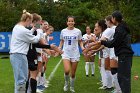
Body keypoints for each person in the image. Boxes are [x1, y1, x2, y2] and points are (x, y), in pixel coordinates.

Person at [97, 11, 134, 93]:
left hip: (124, 55)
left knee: (123, 78)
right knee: (123, 77)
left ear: (114, 19)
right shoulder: (123, 27)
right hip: (125, 55)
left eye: (112, 17)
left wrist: (103, 42)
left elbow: (114, 43)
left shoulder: (119, 29)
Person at [10, 10, 44, 93]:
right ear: (28, 20)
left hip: (16, 55)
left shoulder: (17, 27)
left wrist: (33, 29)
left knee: (19, 80)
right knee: (21, 80)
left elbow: (27, 34)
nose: (30, 23)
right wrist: (40, 32)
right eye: (31, 21)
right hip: (19, 55)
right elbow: (34, 40)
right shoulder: (22, 30)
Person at [59, 16, 85, 93]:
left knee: (73, 74)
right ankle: (66, 83)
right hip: (66, 53)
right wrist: (59, 48)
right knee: (67, 71)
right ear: (67, 22)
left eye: (72, 21)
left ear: (74, 22)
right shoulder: (63, 31)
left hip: (75, 53)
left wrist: (82, 47)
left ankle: (72, 87)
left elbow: (80, 41)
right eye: (69, 21)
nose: (70, 22)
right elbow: (62, 41)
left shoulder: (78, 31)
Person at [105, 15, 121, 93]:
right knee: (116, 71)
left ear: (109, 21)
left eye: (106, 21)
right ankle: (118, 89)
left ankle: (118, 90)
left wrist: (91, 48)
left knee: (114, 71)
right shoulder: (117, 28)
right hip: (117, 52)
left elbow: (102, 41)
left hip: (114, 52)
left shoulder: (110, 29)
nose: (105, 23)